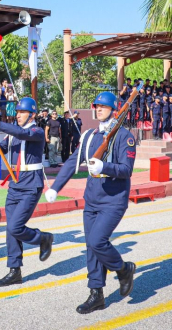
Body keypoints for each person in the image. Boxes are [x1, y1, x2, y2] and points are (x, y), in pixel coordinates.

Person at [45, 91, 137, 313]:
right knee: (91, 248)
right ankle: (96, 294)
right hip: (92, 200)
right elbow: (71, 162)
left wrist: (104, 167)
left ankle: (123, 269)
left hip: (113, 201)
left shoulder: (125, 136)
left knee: (97, 241)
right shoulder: (89, 136)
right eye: (96, 106)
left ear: (114, 110)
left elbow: (126, 169)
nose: (98, 109)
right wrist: (56, 187)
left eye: (103, 107)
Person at [0, 97, 54, 287]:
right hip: (15, 183)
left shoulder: (36, 131)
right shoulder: (12, 133)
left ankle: (43, 238)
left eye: (22, 112)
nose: (18, 115)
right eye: (17, 112)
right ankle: (15, 270)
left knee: (15, 226)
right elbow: (0, 151)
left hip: (31, 184)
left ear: (31, 114)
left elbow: (23, 134)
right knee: (10, 229)